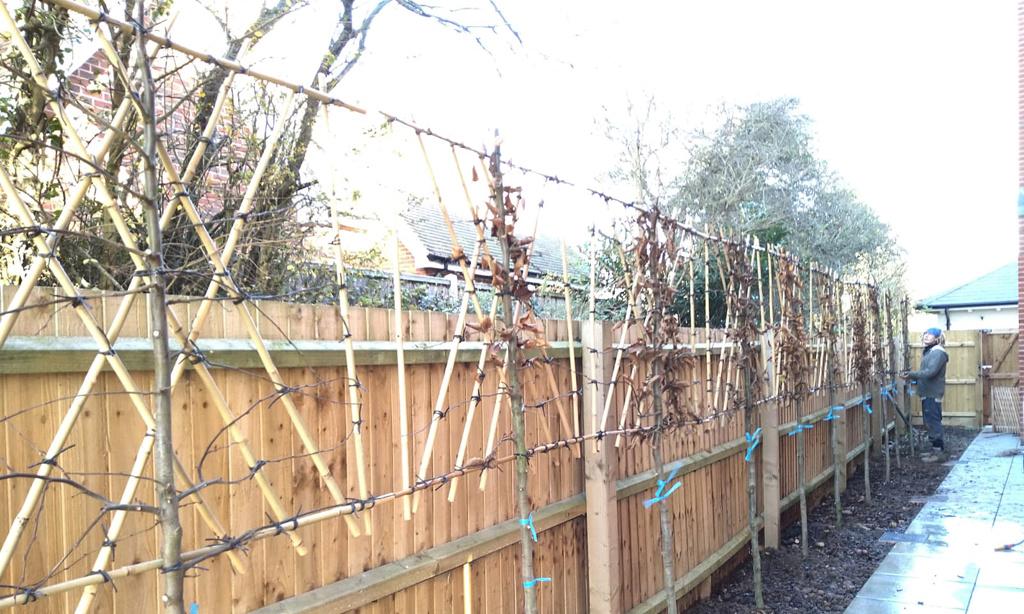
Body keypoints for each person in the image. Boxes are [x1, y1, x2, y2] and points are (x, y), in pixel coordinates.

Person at [900, 327, 949, 462]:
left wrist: (911, 375)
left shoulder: (938, 353)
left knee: (933, 422)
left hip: (932, 393)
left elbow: (930, 372)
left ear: (937, 338)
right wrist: (914, 377)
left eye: (930, 334)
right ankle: (934, 450)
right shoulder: (929, 352)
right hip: (927, 392)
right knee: (929, 421)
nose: (926, 336)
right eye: (926, 333)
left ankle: (939, 454)